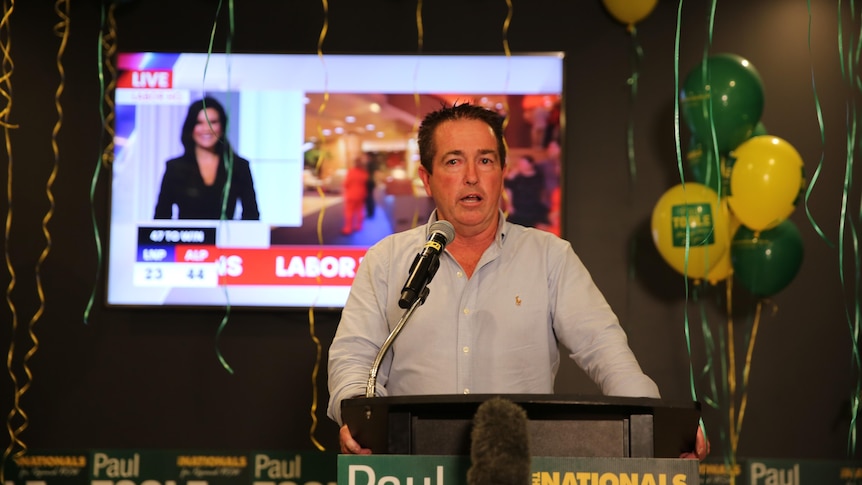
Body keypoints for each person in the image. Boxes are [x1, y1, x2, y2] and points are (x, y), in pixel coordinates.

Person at [326, 103, 708, 459]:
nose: (472, 176)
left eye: (486, 160)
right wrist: (362, 421)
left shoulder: (549, 257)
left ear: (502, 173)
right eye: (454, 161)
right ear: (427, 179)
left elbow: (606, 352)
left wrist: (659, 428)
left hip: (521, 467)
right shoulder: (386, 261)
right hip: (413, 466)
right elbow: (353, 358)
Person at [154, 96, 260, 220]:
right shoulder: (174, 168)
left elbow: (251, 216)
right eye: (199, 123)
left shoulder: (239, 167)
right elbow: (161, 218)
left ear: (222, 127)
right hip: (185, 239)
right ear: (190, 127)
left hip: (226, 239)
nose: (206, 129)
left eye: (213, 122)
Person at [504, 154, 549, 228]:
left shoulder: (539, 177)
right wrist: (509, 205)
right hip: (518, 208)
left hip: (534, 208)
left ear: (531, 164)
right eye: (520, 164)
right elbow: (508, 190)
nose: (520, 166)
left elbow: (543, 193)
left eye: (523, 164)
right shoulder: (516, 177)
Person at [341, 154, 370, 235]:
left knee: (349, 212)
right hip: (361, 194)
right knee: (359, 211)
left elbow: (346, 183)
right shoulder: (364, 173)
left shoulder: (351, 172)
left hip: (351, 194)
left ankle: (348, 228)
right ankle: (359, 226)